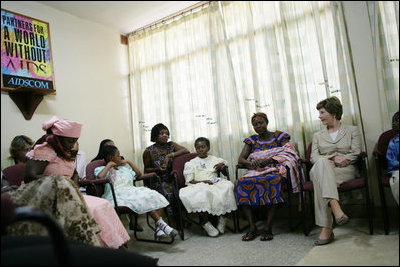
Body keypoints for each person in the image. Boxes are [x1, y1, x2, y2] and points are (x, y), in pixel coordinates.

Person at [15, 116, 130, 248]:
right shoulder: (43, 150)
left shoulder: (66, 152)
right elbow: (30, 176)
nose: (72, 145)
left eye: (75, 141)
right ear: (58, 138)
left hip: (66, 194)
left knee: (103, 204)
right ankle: (93, 249)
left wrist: (73, 185)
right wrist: (61, 183)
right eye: (70, 141)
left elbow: (74, 174)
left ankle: (115, 246)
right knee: (90, 209)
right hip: (44, 196)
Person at [234, 112, 300, 242]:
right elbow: (241, 159)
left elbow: (290, 152)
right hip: (256, 169)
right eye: (255, 124)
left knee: (273, 181)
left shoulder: (279, 136)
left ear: (267, 122)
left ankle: (268, 227)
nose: (258, 126)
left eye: (261, 123)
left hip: (274, 169)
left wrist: (270, 159)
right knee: (240, 183)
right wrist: (252, 163)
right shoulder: (251, 140)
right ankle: (253, 227)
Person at [95, 145, 178, 239]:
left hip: (131, 190)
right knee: (142, 198)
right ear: (111, 157)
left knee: (154, 195)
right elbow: (100, 177)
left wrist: (129, 162)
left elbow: (138, 174)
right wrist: (109, 165)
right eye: (118, 155)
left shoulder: (124, 169)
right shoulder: (101, 169)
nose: (120, 157)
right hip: (116, 194)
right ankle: (162, 225)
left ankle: (159, 228)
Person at [310, 96, 361, 246]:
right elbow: (313, 157)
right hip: (321, 169)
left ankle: (327, 228)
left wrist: (342, 160)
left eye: (322, 112)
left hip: (345, 170)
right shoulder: (317, 136)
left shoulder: (352, 130)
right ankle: (336, 209)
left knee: (322, 180)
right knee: (322, 163)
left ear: (333, 113)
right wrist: (333, 157)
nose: (319, 116)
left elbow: (356, 152)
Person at [179, 137, 237, 237]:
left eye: (203, 147)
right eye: (198, 148)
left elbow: (224, 163)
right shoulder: (191, 163)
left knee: (228, 186)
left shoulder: (214, 159)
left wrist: (221, 165)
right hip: (198, 184)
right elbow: (190, 180)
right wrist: (203, 181)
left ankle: (223, 218)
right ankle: (205, 222)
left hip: (214, 183)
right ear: (196, 149)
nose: (201, 149)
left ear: (208, 147)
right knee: (204, 191)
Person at [143, 123, 189, 223]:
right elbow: (147, 169)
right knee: (168, 191)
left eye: (167, 133)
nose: (165, 135)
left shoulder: (171, 145)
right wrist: (158, 169)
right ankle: (173, 219)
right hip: (157, 180)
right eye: (162, 133)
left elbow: (186, 151)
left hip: (172, 178)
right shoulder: (148, 151)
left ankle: (179, 217)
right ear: (155, 136)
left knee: (182, 190)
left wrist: (169, 155)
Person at [386, 111, 399, 205]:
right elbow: (391, 160)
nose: (394, 123)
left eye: (397, 121)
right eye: (393, 121)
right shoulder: (393, 142)